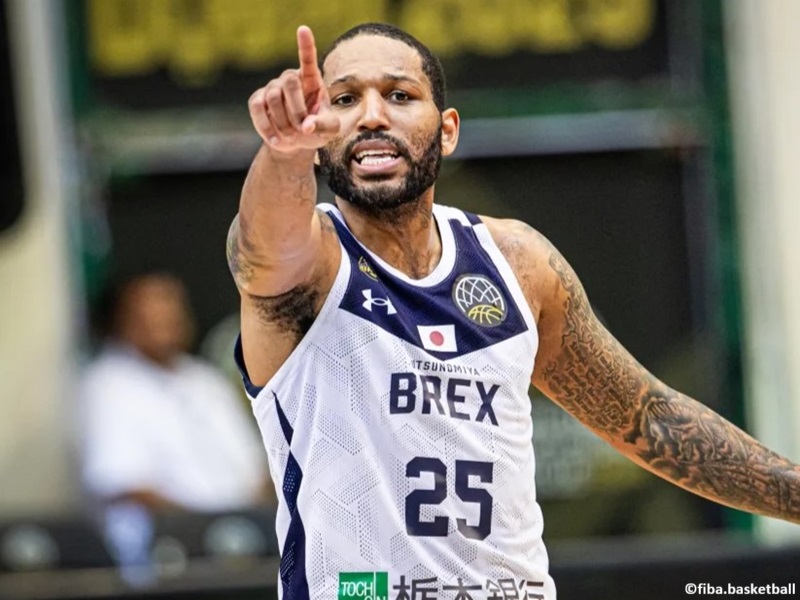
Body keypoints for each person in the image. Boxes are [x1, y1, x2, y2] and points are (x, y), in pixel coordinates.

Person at [226, 23, 800, 600]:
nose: (372, 115)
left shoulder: (517, 263)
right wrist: (284, 153)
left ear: (447, 131)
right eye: (345, 99)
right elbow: (263, 243)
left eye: (399, 95)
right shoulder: (309, 267)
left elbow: (649, 422)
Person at [80, 272, 275, 514]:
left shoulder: (206, 379)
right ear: (124, 320)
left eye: (171, 311)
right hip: (165, 533)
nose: (164, 321)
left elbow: (257, 470)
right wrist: (201, 528)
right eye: (151, 315)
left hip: (241, 527)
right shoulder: (107, 384)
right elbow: (122, 483)